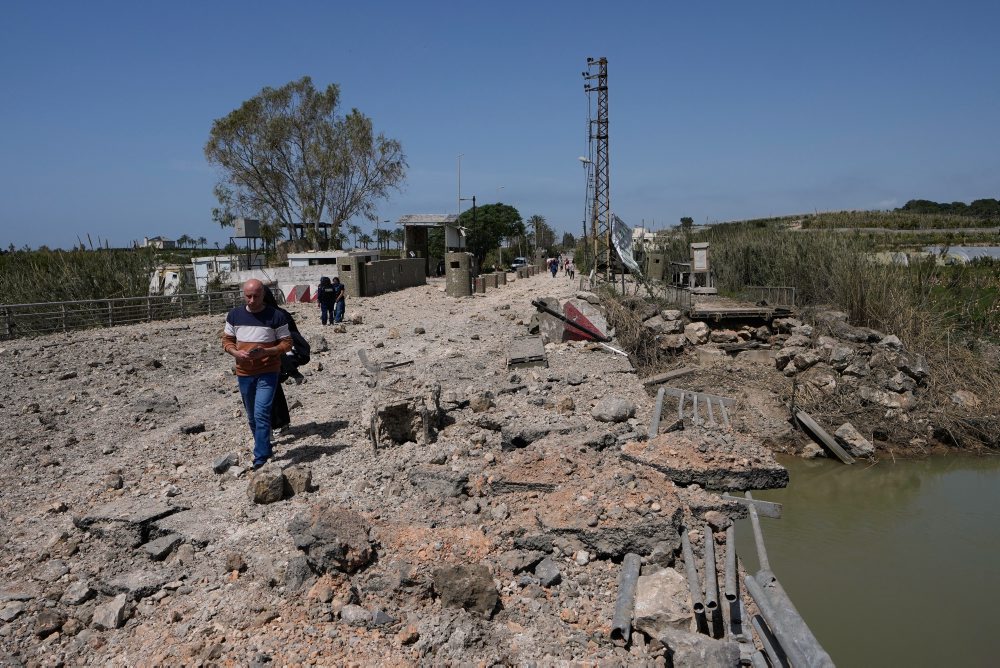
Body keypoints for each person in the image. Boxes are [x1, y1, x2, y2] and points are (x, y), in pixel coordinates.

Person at [222, 279, 293, 469]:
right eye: (248, 296)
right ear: (243, 295)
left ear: (263, 295)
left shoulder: (276, 316)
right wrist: (236, 352)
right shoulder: (234, 315)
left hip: (268, 371)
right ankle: (265, 447)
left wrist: (267, 351)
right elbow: (227, 340)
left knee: (261, 413)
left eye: (256, 296)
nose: (252, 300)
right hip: (244, 372)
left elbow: (287, 343)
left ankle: (260, 457)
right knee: (252, 416)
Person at [262, 287, 311, 431]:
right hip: (263, 362)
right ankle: (278, 425)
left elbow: (291, 338)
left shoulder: (277, 316)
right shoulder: (252, 316)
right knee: (272, 392)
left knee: (269, 393)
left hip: (276, 360)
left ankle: (274, 426)